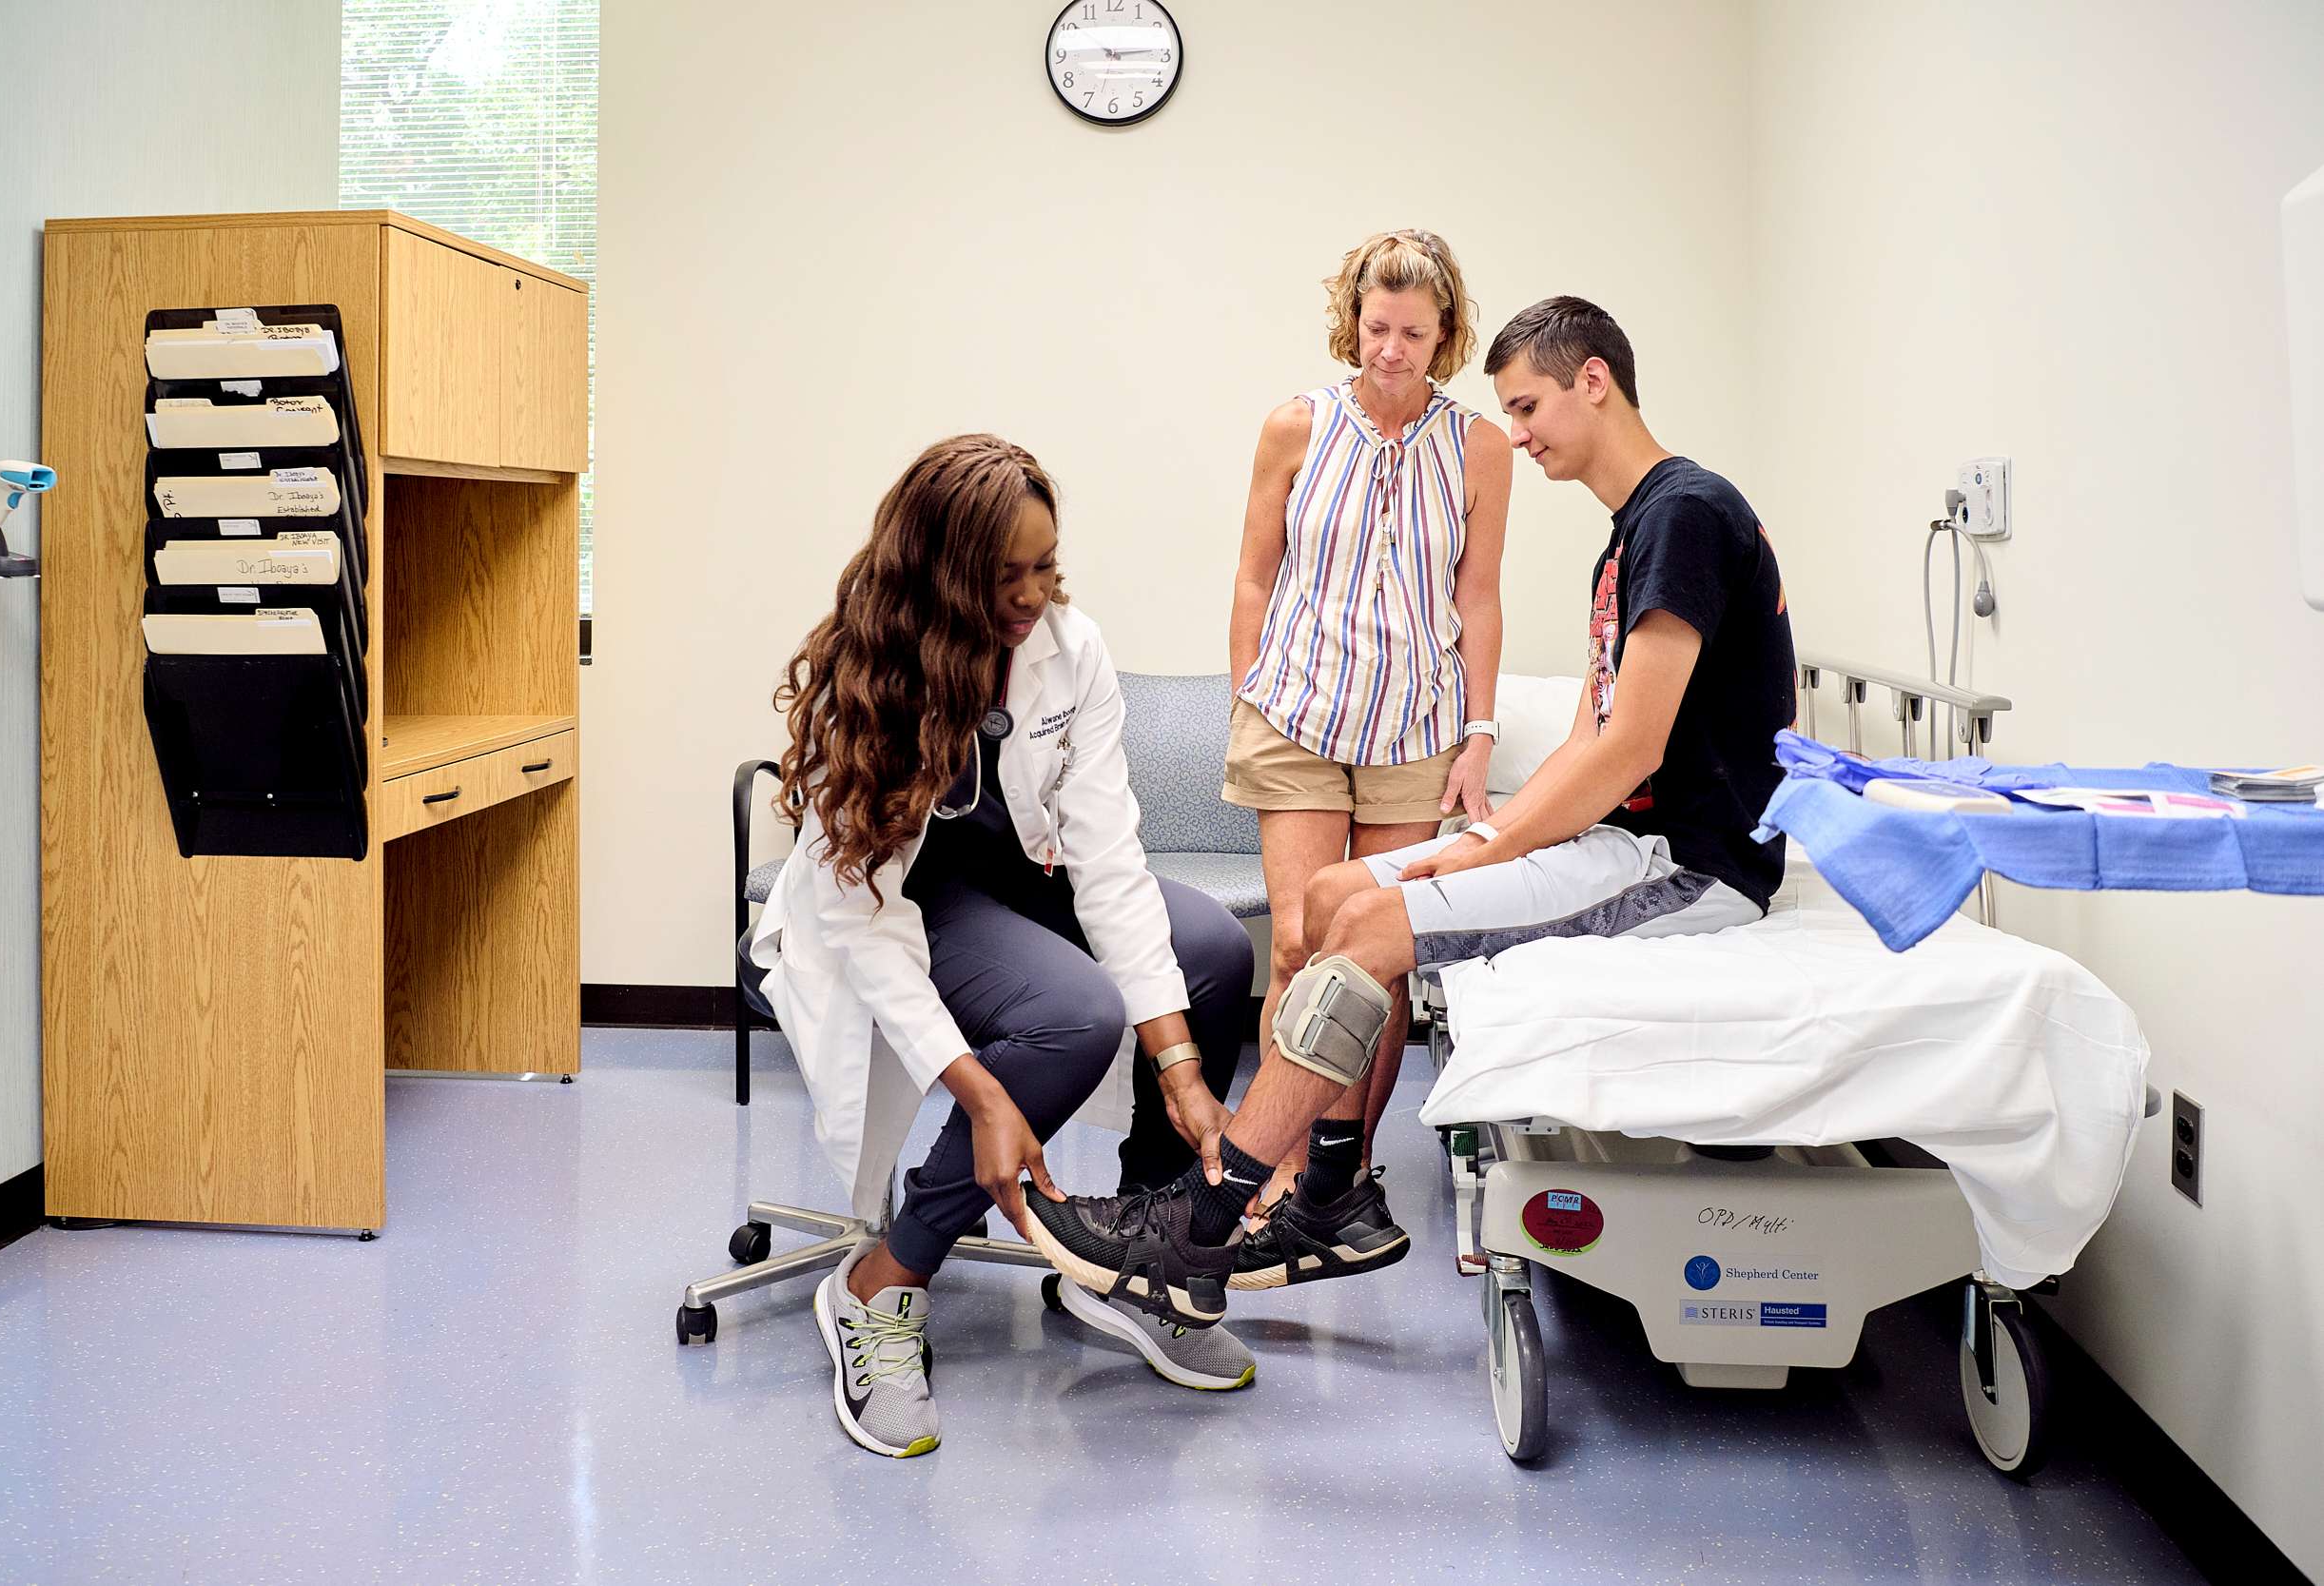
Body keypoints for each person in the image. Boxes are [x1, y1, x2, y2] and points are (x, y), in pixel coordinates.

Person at [1025, 298, 1797, 1327]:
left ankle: (1205, 1219)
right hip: (1626, 842)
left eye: (1527, 405)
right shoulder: (1638, 530)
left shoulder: (1684, 515)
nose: (1516, 433)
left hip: (1689, 863)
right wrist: (1481, 843)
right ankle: (1334, 1191)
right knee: (1335, 898)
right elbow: (1587, 735)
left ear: (1594, 380)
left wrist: (1479, 852)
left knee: (1379, 923)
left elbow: (1632, 747)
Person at [750, 434, 1257, 1455]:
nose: (1031, 596)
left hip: (1028, 875)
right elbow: (864, 913)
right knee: (1075, 1014)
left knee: (1213, 948)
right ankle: (882, 1279)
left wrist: (1184, 1067)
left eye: (1045, 566)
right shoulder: (877, 671)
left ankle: (1128, 1251)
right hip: (904, 903)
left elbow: (1108, 856)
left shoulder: (1073, 651)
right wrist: (984, 1099)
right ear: (940, 573)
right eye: (1002, 575)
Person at [1223, 227, 1511, 1222]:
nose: (1391, 349)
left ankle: (1340, 1172)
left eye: (1414, 333)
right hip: (1297, 716)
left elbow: (1478, 595)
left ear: (1446, 335)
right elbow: (1256, 571)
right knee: (1301, 946)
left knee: (1375, 958)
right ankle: (1279, 1153)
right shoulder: (1295, 426)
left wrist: (1478, 732)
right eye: (1377, 327)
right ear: (1352, 322)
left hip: (1414, 728)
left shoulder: (1477, 446)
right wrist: (1246, 691)